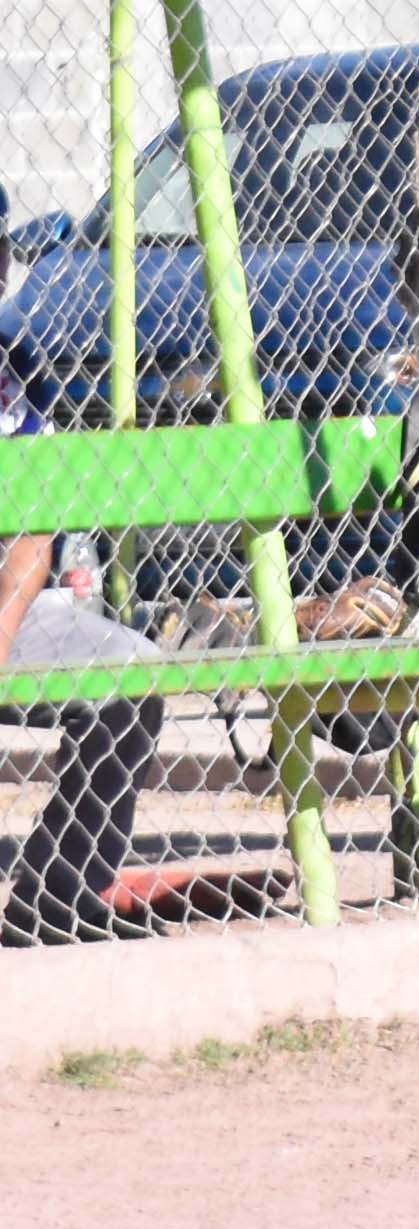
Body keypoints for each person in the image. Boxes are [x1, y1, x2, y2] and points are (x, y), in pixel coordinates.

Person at [1, 295, 171, 950]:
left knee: (134, 673)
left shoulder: (9, 363)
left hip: (7, 605)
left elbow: (30, 529)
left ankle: (57, 893)